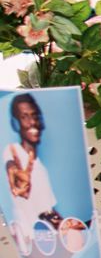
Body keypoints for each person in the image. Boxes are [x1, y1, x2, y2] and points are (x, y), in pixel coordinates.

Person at [6, 95, 60, 227]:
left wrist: (72, 226)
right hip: (27, 240)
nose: (32, 122)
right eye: (24, 117)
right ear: (15, 123)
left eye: (34, 116)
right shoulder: (12, 152)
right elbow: (11, 167)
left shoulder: (40, 166)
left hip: (47, 241)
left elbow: (48, 211)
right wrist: (17, 183)